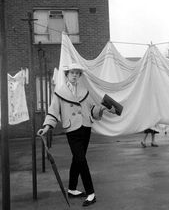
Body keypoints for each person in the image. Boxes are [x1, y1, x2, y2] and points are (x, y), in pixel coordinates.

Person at [37, 63, 115, 207]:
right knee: (81, 160)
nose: (74, 75)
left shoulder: (84, 90)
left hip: (85, 127)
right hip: (72, 129)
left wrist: (102, 109)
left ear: (79, 75)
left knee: (77, 159)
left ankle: (72, 189)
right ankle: (91, 193)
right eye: (72, 72)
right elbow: (53, 111)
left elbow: (92, 110)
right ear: (66, 74)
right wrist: (47, 126)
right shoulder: (59, 92)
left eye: (77, 73)